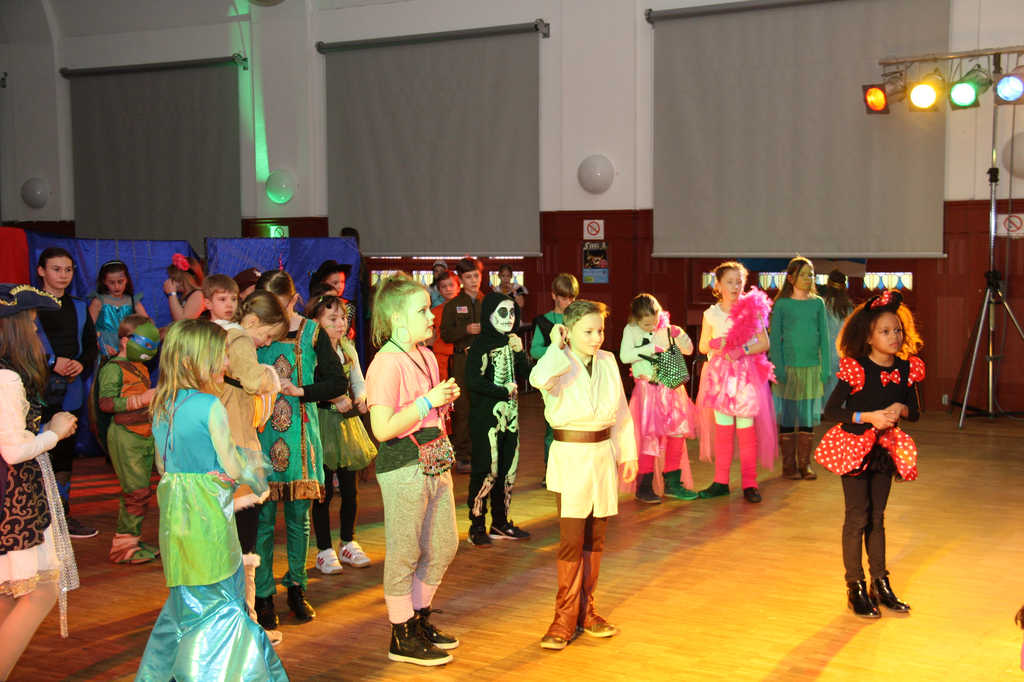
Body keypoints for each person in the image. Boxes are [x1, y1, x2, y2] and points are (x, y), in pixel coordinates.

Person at [136, 319, 287, 681]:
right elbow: (232, 466)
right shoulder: (209, 405)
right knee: (221, 594)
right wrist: (243, 469)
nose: (227, 362)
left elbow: (162, 465)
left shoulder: (162, 403)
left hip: (175, 518)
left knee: (188, 595)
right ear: (196, 360)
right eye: (221, 355)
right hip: (208, 515)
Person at [530, 300, 638, 650]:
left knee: (596, 538)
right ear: (568, 330)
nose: (596, 338)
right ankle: (563, 616)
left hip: (603, 455)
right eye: (588, 331)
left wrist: (628, 453)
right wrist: (555, 345)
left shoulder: (607, 361)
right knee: (571, 539)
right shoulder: (557, 362)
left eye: (600, 331)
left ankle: (586, 611)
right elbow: (538, 379)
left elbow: (621, 412)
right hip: (571, 457)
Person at [366, 274, 461, 667]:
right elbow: (382, 428)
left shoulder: (425, 355)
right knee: (405, 551)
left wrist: (442, 401)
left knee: (443, 544)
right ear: (396, 318)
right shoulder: (385, 364)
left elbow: (428, 411)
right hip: (403, 465)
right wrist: (427, 402)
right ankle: (400, 633)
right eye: (421, 310)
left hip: (435, 457)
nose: (431, 316)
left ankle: (417, 618)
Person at [814, 289, 923, 619]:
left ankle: (880, 582)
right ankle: (855, 586)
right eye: (885, 331)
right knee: (857, 516)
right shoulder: (857, 368)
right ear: (869, 337)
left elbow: (916, 412)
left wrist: (901, 407)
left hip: (884, 449)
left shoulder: (906, 368)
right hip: (855, 448)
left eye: (897, 330)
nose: (893, 336)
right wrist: (868, 417)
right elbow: (831, 410)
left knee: (877, 517)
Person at [253, 270, 347, 629]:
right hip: (261, 437)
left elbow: (336, 382)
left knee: (298, 519)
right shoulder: (253, 334)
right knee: (262, 521)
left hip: (302, 436)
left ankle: (296, 587)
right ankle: (263, 595)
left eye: (278, 304)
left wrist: (302, 391)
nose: (272, 312)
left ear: (293, 300)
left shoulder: (312, 332)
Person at [0, 284, 80, 680]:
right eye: (31, 324)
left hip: (15, 491)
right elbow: (14, 450)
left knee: (8, 592)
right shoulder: (6, 380)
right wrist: (55, 432)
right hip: (13, 499)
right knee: (39, 592)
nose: (36, 332)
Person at [209, 288, 288, 646]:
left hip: (219, 449)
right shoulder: (238, 337)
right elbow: (255, 380)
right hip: (238, 452)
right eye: (267, 336)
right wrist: (273, 377)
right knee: (244, 547)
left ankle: (230, 625)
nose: (266, 344)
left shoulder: (215, 337)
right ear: (253, 321)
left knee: (223, 545)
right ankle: (246, 626)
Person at [695, 261, 777, 504]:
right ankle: (721, 481)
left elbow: (764, 343)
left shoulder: (752, 310)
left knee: (745, 430)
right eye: (729, 282)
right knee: (723, 430)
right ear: (718, 285)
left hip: (745, 377)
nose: (734, 287)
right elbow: (702, 346)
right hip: (719, 377)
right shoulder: (711, 314)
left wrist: (742, 350)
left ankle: (750, 483)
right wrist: (714, 344)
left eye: (738, 282)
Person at [307, 295, 376, 574]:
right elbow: (308, 386)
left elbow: (358, 380)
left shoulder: (347, 348)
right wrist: (334, 398)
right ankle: (324, 549)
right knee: (322, 491)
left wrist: (361, 397)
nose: (340, 324)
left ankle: (348, 541)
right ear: (316, 322)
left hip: (347, 425)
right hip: (321, 422)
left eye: (343, 318)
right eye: (332, 319)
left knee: (350, 488)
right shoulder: (310, 352)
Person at [35, 247, 99, 539]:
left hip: (70, 391)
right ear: (41, 271)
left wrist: (80, 364)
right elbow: (19, 346)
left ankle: (62, 515)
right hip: (37, 392)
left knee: (63, 454)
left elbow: (90, 346)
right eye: (56, 269)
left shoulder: (79, 306)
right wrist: (52, 362)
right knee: (35, 452)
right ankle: (36, 515)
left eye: (68, 270)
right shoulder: (28, 306)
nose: (63, 275)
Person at [465, 292, 531, 547]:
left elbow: (527, 374)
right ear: (489, 314)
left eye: (512, 312)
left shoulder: (510, 343)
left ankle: (500, 522)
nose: (509, 318)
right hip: (486, 421)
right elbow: (473, 381)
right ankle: (477, 524)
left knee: (507, 471)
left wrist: (519, 352)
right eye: (503, 312)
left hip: (510, 419)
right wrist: (502, 391)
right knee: (486, 471)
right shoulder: (480, 346)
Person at [619, 293, 697, 504]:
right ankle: (644, 486)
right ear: (635, 319)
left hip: (671, 389)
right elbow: (624, 356)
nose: (651, 327)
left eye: (654, 322)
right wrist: (651, 347)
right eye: (646, 324)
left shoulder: (665, 328)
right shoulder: (631, 330)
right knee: (650, 437)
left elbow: (689, 350)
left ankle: (672, 481)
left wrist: (679, 335)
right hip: (648, 390)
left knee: (677, 435)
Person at [96, 315, 161, 564]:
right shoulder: (113, 368)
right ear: (125, 341)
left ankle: (131, 540)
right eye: (146, 344)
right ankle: (122, 548)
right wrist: (140, 400)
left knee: (141, 492)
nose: (151, 351)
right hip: (126, 436)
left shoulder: (140, 366)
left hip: (144, 434)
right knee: (135, 493)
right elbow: (106, 403)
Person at [769, 256, 831, 480]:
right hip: (788, 368)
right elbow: (775, 340)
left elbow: (824, 337)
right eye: (803, 274)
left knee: (806, 416)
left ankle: (805, 464)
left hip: (811, 367)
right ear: (791, 278)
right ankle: (788, 465)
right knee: (788, 415)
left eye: (810, 274)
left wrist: (825, 366)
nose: (808, 278)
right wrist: (778, 367)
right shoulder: (782, 304)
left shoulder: (818, 303)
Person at [439, 257, 485, 473]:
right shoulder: (453, 305)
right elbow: (445, 334)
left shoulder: (489, 302)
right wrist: (465, 330)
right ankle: (463, 454)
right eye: (468, 277)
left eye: (476, 276)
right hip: (462, 360)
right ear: (461, 279)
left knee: (484, 406)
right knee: (463, 407)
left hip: (485, 360)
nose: (473, 280)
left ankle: (483, 451)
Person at [530, 273, 579, 471]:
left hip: (576, 377)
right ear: (554, 295)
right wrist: (557, 349)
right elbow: (535, 350)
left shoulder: (578, 320)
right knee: (553, 427)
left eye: (572, 298)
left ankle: (572, 469)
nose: (568, 302)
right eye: (564, 297)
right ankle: (550, 470)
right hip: (554, 381)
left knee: (576, 425)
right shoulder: (543, 321)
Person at [89, 260, 148, 357]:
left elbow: (148, 327)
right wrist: (100, 345)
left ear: (127, 280)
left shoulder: (133, 302)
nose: (116, 286)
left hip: (127, 350)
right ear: (104, 282)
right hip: (104, 351)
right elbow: (88, 330)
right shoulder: (98, 302)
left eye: (120, 281)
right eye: (111, 282)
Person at [821, 269, 854, 401]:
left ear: (828, 284)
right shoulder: (849, 307)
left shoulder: (821, 304)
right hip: (843, 354)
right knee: (841, 389)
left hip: (823, 354)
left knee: (824, 389)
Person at [429, 271, 460, 384]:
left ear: (458, 287)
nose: (448, 289)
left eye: (451, 285)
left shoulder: (466, 309)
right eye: (444, 286)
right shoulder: (434, 312)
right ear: (439, 290)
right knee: (443, 386)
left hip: (461, 355)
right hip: (441, 356)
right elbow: (431, 337)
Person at [163, 253, 205, 321]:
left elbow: (182, 321)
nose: (171, 281)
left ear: (183, 279)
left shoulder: (198, 294)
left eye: (173, 278)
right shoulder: (184, 295)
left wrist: (172, 294)